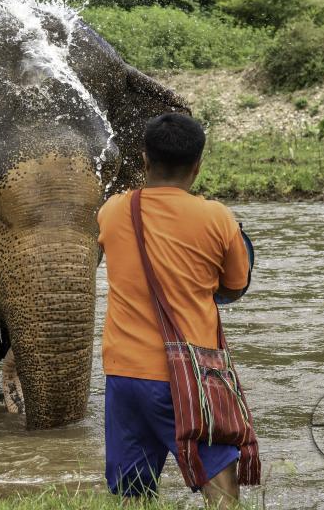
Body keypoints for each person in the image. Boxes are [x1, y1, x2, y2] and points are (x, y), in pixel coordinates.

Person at [98, 112, 250, 508]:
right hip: (189, 374)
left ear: (145, 160)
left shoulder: (114, 211)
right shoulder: (217, 217)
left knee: (132, 490)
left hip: (123, 373)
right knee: (219, 474)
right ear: (197, 166)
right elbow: (234, 287)